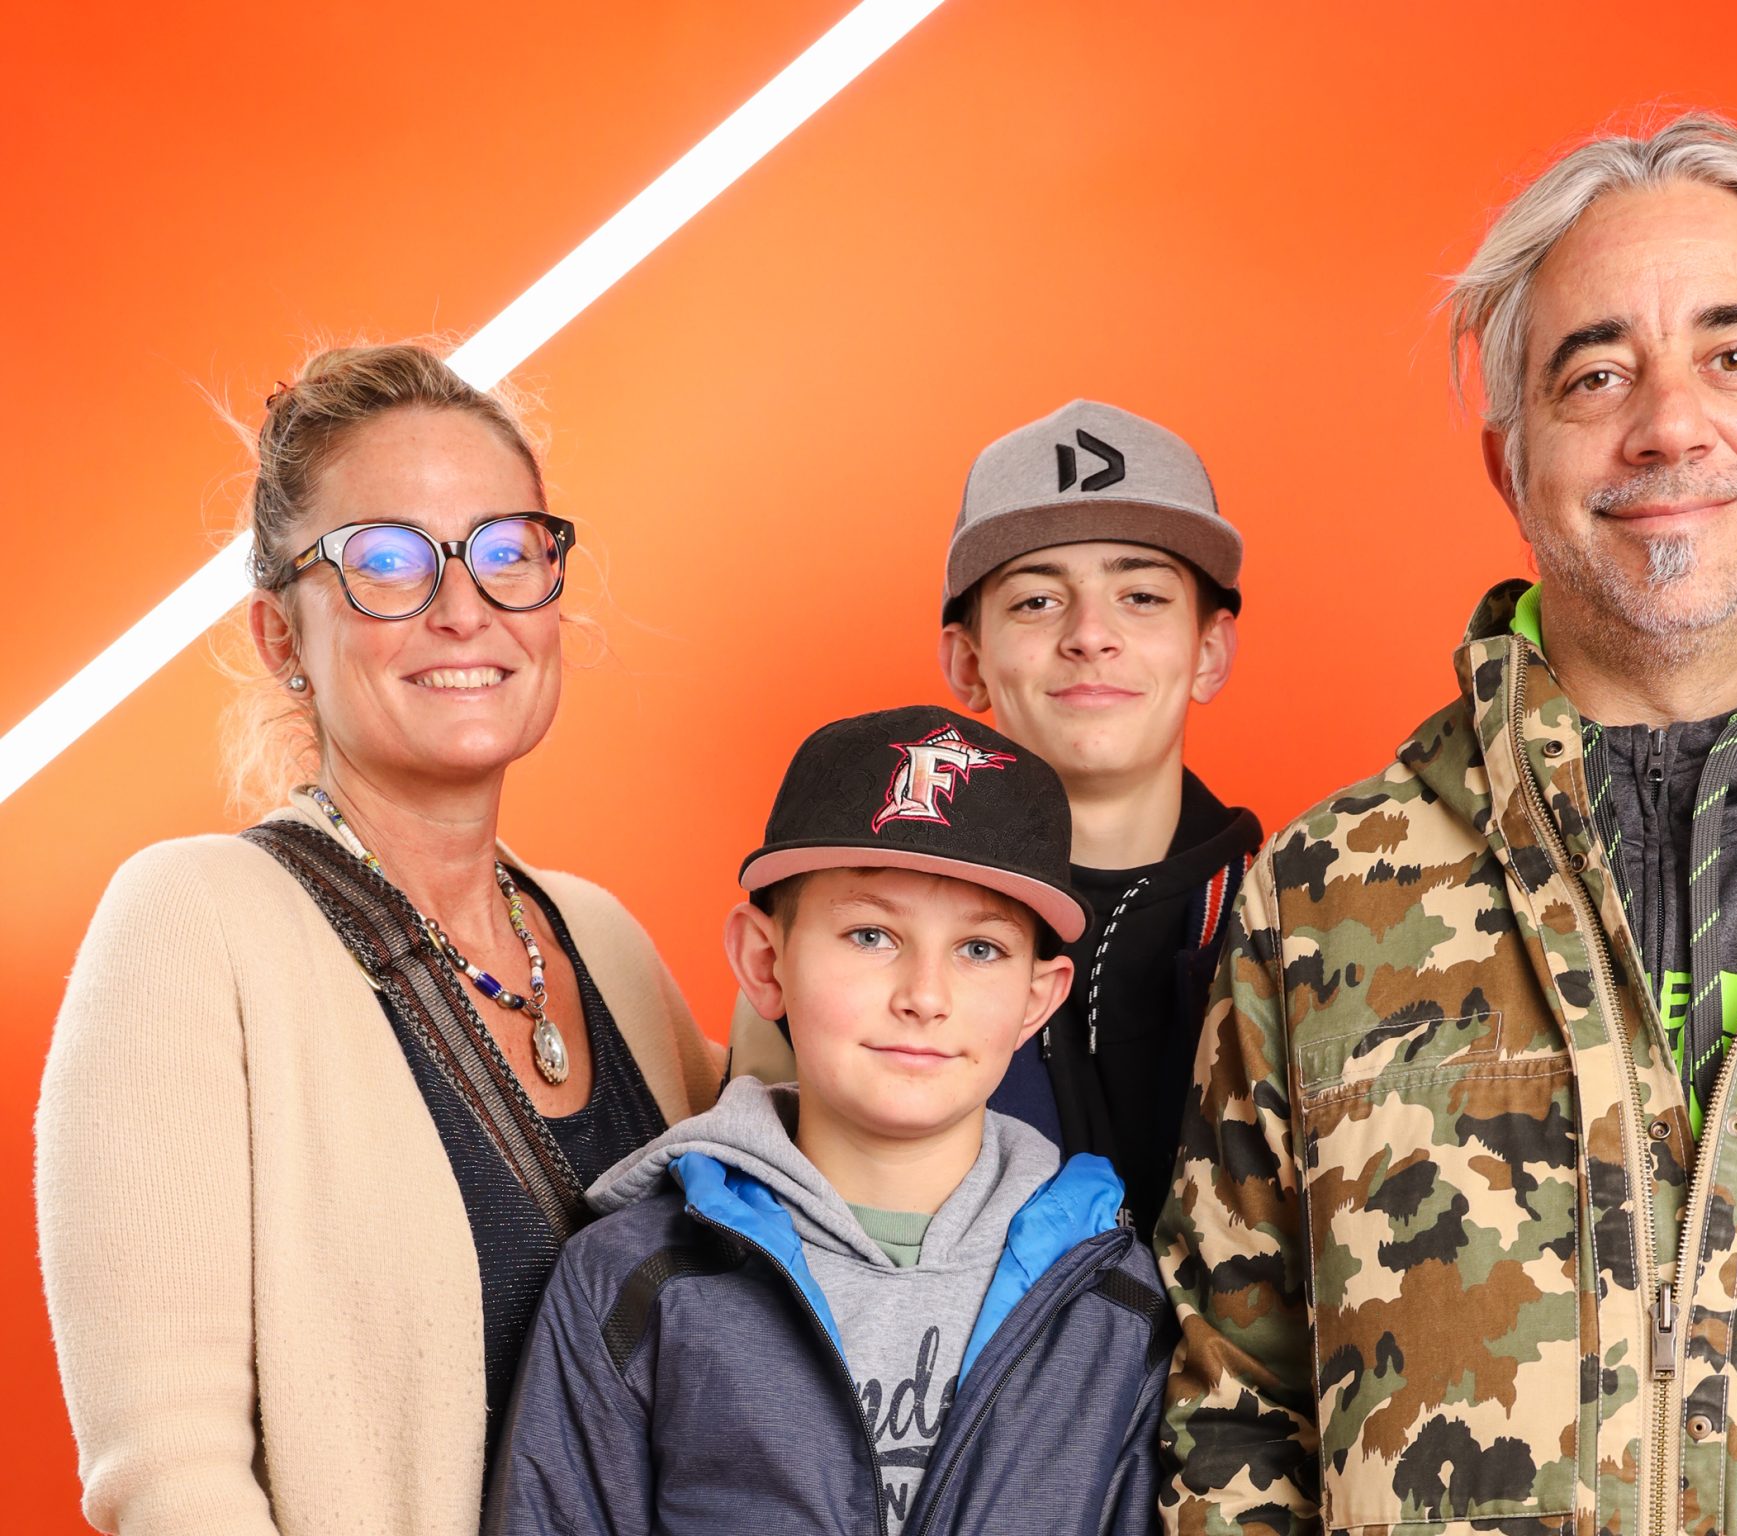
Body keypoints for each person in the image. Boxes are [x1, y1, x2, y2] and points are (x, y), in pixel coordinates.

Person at [1157, 113, 1737, 1533]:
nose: (1669, 423)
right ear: (1512, 466)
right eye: (1595, 373)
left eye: (1734, 357)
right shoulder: (1321, 898)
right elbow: (1232, 1423)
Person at [36, 343, 723, 1535]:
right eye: (386, 562)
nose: (463, 608)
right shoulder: (192, 926)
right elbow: (170, 1476)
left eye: (506, 552)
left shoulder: (601, 940)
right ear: (280, 637)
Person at [486, 705, 1172, 1535]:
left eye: (980, 949)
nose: (924, 995)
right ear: (765, 962)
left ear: (1038, 998)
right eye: (871, 934)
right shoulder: (632, 1280)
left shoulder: (1115, 1297)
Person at [732, 400, 1261, 1233]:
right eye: (1037, 601)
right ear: (967, 662)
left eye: (1142, 595)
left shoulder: (1299, 919)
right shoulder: (838, 943)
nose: (1091, 635)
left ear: (1209, 651)